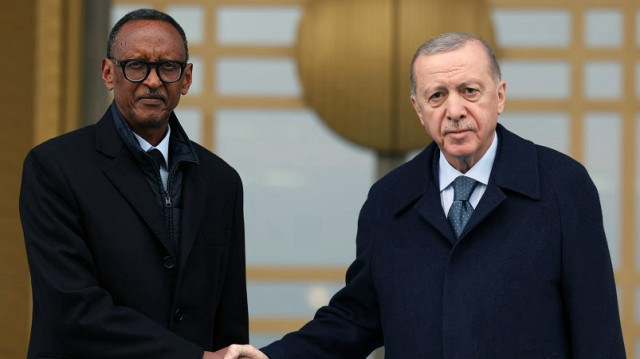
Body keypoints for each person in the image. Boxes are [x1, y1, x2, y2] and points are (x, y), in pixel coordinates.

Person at [226, 32, 627, 358]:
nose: (453, 110)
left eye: (469, 91)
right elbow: (357, 317)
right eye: (437, 96)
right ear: (418, 109)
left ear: (499, 96)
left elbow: (597, 329)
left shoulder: (562, 185)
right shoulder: (389, 199)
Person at [20, 8, 252, 359]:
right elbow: (72, 308)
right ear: (108, 73)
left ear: (186, 78)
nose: (154, 81)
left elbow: (229, 320)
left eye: (168, 67)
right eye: (136, 65)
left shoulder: (222, 181)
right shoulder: (55, 167)